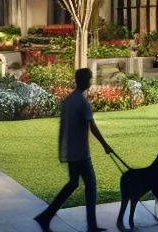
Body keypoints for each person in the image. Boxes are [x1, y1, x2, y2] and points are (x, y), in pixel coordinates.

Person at [34, 67, 112, 232]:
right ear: (84, 81)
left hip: (70, 150)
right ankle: (91, 226)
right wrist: (106, 146)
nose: (90, 82)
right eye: (89, 79)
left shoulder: (69, 100)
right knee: (91, 186)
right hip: (82, 153)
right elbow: (93, 128)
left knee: (73, 183)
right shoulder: (83, 102)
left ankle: (45, 216)